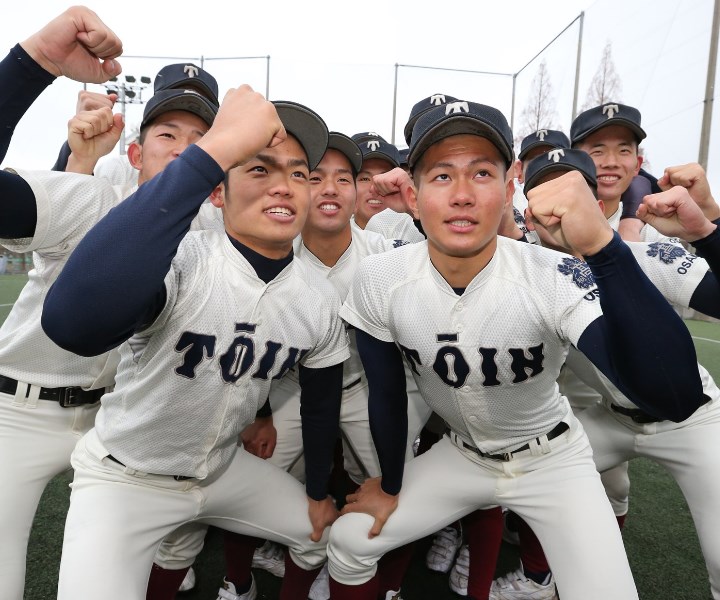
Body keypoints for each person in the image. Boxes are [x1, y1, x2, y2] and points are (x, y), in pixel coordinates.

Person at [325, 99, 706, 600]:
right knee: (350, 538)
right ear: (413, 197)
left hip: (554, 457)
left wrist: (604, 249)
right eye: (442, 176)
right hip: (462, 456)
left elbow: (673, 395)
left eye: (481, 173)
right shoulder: (382, 275)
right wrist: (390, 483)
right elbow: (389, 396)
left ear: (508, 191)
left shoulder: (550, 273)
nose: (462, 195)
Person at [515, 148, 720, 600]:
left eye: (573, 190)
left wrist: (708, 230)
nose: (560, 205)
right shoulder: (527, 268)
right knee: (520, 474)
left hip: (694, 420)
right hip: (614, 417)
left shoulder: (644, 256)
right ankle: (538, 574)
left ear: (598, 200)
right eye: (545, 193)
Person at [0, 9, 125, 599]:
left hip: (113, 421)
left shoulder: (216, 222)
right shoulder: (98, 189)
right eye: (169, 133)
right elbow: (64, 208)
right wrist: (34, 66)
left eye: (202, 138)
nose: (186, 151)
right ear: (139, 145)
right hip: (16, 407)